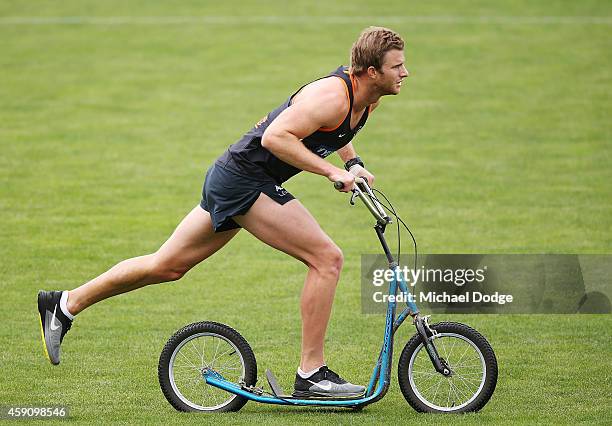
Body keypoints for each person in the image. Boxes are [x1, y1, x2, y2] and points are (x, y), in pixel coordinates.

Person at [38, 26, 408, 398]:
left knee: (167, 266)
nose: (404, 73)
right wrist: (331, 171)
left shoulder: (367, 98)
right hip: (243, 182)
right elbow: (275, 137)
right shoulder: (331, 96)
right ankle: (311, 375)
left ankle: (65, 304)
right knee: (327, 259)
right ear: (372, 71)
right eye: (397, 67)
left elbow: (338, 133)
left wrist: (354, 163)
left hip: (234, 179)